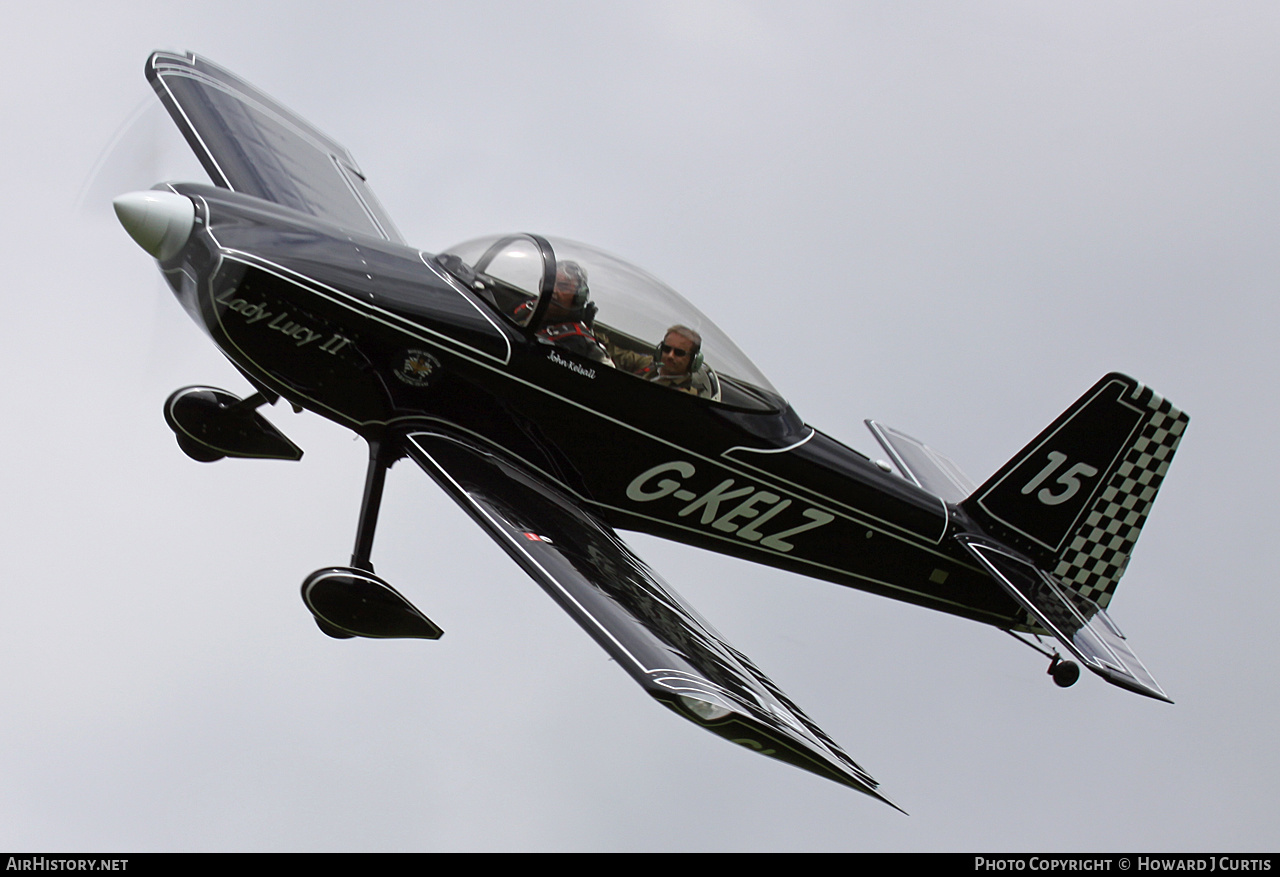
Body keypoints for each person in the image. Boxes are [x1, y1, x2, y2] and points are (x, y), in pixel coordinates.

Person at [515, 260, 612, 364]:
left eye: (563, 286)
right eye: (550, 282)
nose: (554, 290)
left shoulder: (575, 341)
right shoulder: (527, 306)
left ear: (579, 296)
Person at [610, 325, 714, 396]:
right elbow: (618, 354)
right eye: (667, 349)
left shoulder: (686, 393)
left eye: (679, 353)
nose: (670, 356)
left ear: (694, 360)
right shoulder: (650, 365)